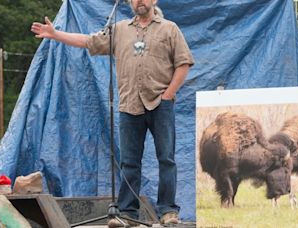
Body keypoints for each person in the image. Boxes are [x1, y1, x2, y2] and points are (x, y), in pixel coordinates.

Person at [31, 0, 194, 226]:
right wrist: (56, 34)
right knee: (129, 162)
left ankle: (168, 212)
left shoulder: (169, 29)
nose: (140, 1)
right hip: (129, 106)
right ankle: (128, 214)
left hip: (160, 104)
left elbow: (183, 63)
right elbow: (89, 41)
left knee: (166, 159)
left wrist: (168, 95)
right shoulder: (119, 30)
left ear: (154, 0)